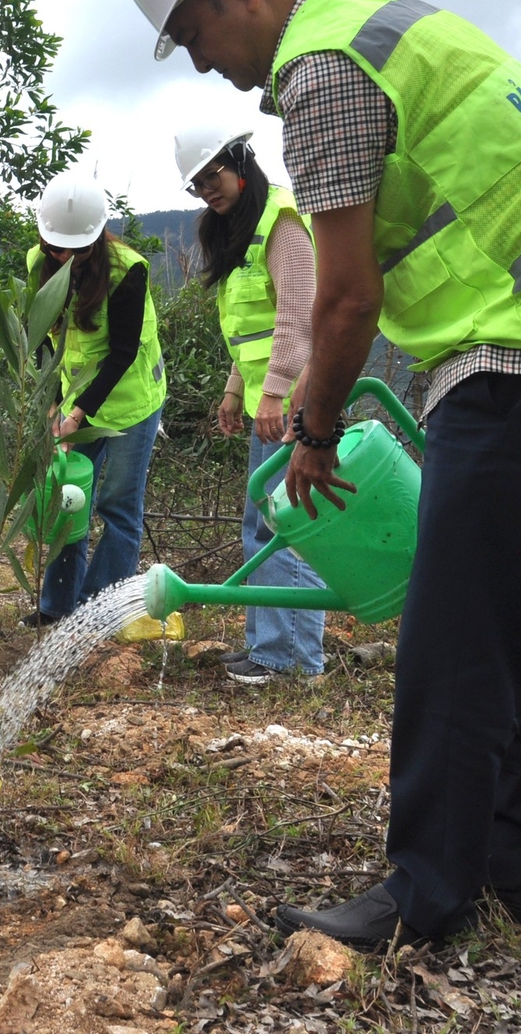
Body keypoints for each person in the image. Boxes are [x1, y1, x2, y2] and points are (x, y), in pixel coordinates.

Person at [115, 0, 521, 947]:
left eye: (190, 33)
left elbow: (346, 294)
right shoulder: (364, 11)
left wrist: (312, 432)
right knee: (504, 614)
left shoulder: (319, 71)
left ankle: (425, 891)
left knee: (452, 626)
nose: (198, 62)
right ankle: (516, 859)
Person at [179, 127, 326, 682]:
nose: (207, 191)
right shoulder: (235, 231)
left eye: (212, 177)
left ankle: (288, 657)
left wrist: (272, 392)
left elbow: (297, 318)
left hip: (296, 400)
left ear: (240, 163)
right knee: (271, 523)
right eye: (197, 185)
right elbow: (249, 330)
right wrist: (235, 389)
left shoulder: (281, 221)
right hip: (270, 398)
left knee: (285, 525)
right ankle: (277, 650)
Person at [25, 170, 168, 628]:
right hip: (71, 400)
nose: (64, 255)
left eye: (75, 248)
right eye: (55, 246)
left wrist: (79, 413)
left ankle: (101, 611)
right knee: (68, 497)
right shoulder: (38, 261)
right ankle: (57, 608)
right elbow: (44, 338)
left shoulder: (128, 271)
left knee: (117, 504)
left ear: (96, 238)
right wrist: (53, 405)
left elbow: (123, 352)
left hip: (129, 402)